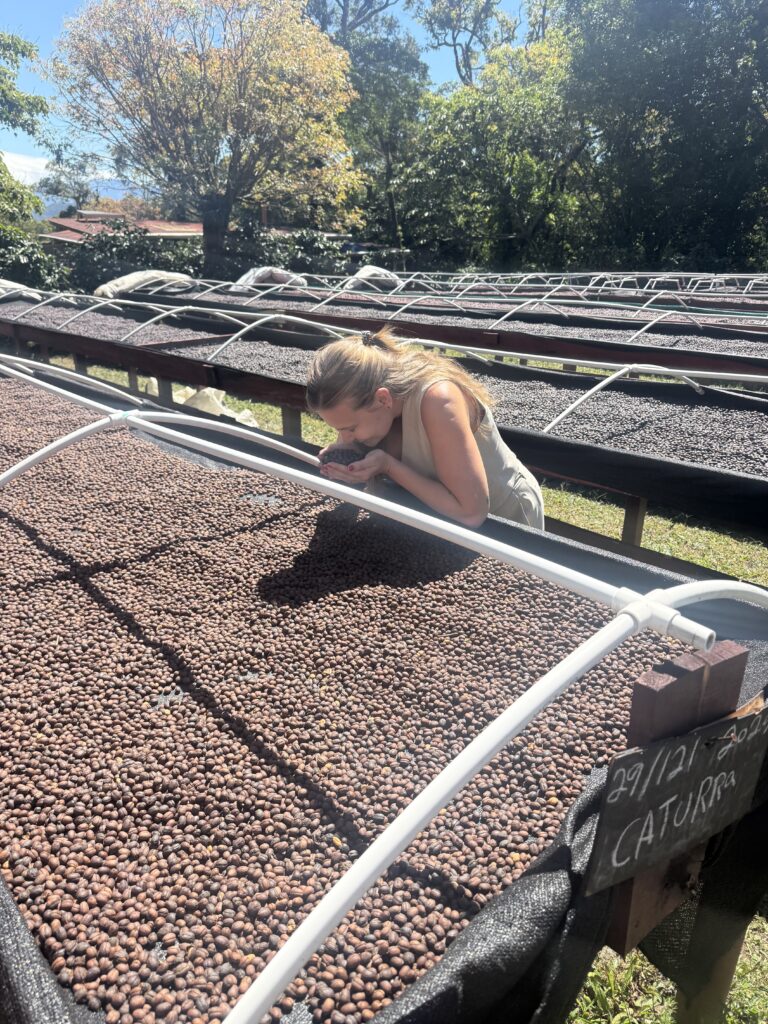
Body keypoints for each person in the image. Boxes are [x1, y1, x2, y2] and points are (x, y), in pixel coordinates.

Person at [306, 328, 544, 530]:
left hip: (506, 519)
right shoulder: (372, 404)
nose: (344, 437)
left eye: (350, 428)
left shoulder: (438, 400)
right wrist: (349, 461)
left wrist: (387, 465)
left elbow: (471, 512)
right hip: (444, 519)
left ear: (383, 399)